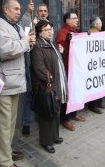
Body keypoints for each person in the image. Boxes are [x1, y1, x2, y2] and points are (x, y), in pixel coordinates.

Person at [0, 0, 35, 167]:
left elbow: (22, 47)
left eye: (20, 9)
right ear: (5, 10)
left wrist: (29, 43)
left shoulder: (17, 27)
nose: (18, 11)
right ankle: (5, 161)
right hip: (5, 83)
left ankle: (6, 151)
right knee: (3, 126)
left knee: (10, 124)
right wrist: (25, 42)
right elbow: (4, 50)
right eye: (15, 9)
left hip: (16, 82)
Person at [30, 20, 67, 154]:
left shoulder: (51, 44)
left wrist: (60, 53)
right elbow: (38, 67)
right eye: (46, 29)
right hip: (46, 86)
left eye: (50, 29)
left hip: (55, 84)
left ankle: (54, 136)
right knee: (46, 114)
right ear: (39, 32)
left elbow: (55, 61)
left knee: (55, 111)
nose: (50, 31)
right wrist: (49, 78)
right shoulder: (38, 46)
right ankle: (46, 141)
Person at [19, 3, 49, 137]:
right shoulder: (31, 23)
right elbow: (24, 33)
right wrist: (26, 13)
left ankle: (43, 118)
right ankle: (26, 123)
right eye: (40, 11)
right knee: (29, 94)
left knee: (44, 92)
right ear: (36, 13)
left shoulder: (49, 26)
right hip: (31, 63)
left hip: (45, 64)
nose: (43, 13)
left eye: (45, 11)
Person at [55, 12, 85, 131]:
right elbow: (59, 51)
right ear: (67, 21)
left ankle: (74, 114)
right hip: (68, 69)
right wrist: (67, 43)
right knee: (66, 94)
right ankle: (64, 119)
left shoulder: (76, 33)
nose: (77, 20)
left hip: (76, 69)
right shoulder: (62, 33)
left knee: (75, 92)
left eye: (77, 18)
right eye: (74, 18)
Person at [86, 17, 105, 114]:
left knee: (99, 84)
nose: (102, 24)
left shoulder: (99, 33)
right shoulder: (92, 33)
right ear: (95, 25)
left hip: (99, 63)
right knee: (94, 85)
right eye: (100, 23)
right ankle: (93, 105)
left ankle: (99, 102)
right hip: (94, 64)